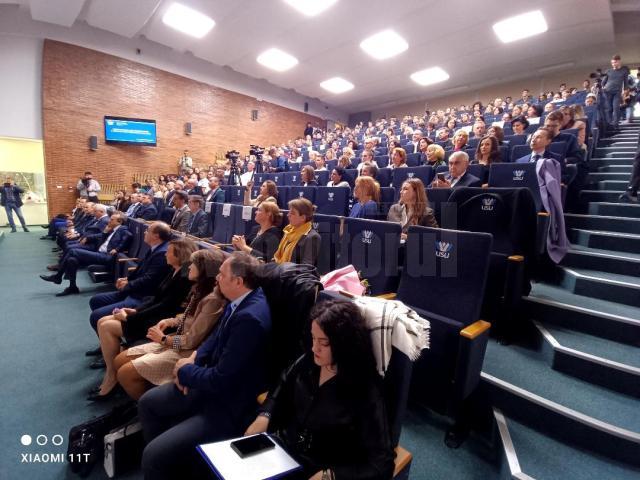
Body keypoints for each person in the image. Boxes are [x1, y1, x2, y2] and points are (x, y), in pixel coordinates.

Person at [138, 252, 272, 480]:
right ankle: (175, 465)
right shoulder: (240, 300)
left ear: (238, 281)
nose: (217, 278)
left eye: (222, 274)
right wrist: (193, 358)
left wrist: (185, 371)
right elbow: (214, 338)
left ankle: (165, 462)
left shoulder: (250, 318)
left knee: (153, 455)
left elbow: (221, 380)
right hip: (206, 378)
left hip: (226, 403)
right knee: (147, 402)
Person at [244, 300, 395, 480]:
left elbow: (382, 464)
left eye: (323, 342)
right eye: (313, 338)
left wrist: (331, 476)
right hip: (284, 455)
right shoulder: (309, 360)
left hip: (322, 469)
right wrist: (265, 415)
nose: (314, 347)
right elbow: (281, 387)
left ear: (344, 343)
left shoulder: (365, 388)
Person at [87, 238, 198, 400]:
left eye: (169, 251)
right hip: (159, 318)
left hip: (163, 323)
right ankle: (111, 371)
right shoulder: (174, 270)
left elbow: (165, 307)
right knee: (102, 321)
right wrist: (135, 311)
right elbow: (156, 298)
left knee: (106, 326)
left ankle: (111, 376)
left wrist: (131, 318)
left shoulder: (183, 278)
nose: (165, 253)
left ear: (179, 255)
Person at [114, 248, 226, 400]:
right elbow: (188, 317)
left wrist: (163, 339)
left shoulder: (213, 300)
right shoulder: (199, 289)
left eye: (193, 264)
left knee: (125, 373)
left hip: (187, 350)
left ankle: (143, 409)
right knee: (119, 359)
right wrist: (169, 321)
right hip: (176, 340)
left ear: (204, 269)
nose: (190, 267)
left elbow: (192, 340)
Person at [87, 221, 172, 334]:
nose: (145, 232)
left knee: (96, 316)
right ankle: (107, 337)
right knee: (95, 300)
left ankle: (111, 338)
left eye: (148, 231)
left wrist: (128, 284)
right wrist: (127, 279)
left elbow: (149, 279)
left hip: (142, 296)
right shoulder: (155, 248)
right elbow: (140, 269)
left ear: (156, 236)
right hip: (134, 290)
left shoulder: (162, 253)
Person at [39, 212, 130, 296]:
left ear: (119, 221)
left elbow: (129, 236)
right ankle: (72, 287)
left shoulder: (123, 229)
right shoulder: (112, 229)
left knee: (72, 251)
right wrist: (105, 232)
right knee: (72, 260)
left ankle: (58, 276)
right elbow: (103, 241)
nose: (109, 220)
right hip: (99, 253)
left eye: (112, 219)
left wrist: (117, 249)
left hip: (106, 256)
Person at [273, 198, 320, 265]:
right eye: (289, 212)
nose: (288, 215)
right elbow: (277, 257)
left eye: (292, 213)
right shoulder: (288, 231)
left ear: (303, 218)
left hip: (291, 274)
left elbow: (306, 266)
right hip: (278, 269)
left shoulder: (312, 237)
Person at [602, 54, 630, 127]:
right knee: (609, 108)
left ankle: (615, 123)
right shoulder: (608, 71)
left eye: (615, 62)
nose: (614, 64)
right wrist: (602, 87)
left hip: (617, 92)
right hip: (607, 91)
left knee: (616, 107)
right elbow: (603, 82)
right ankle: (609, 123)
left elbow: (626, 82)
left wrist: (625, 90)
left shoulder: (624, 71)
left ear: (619, 62)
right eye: (612, 63)